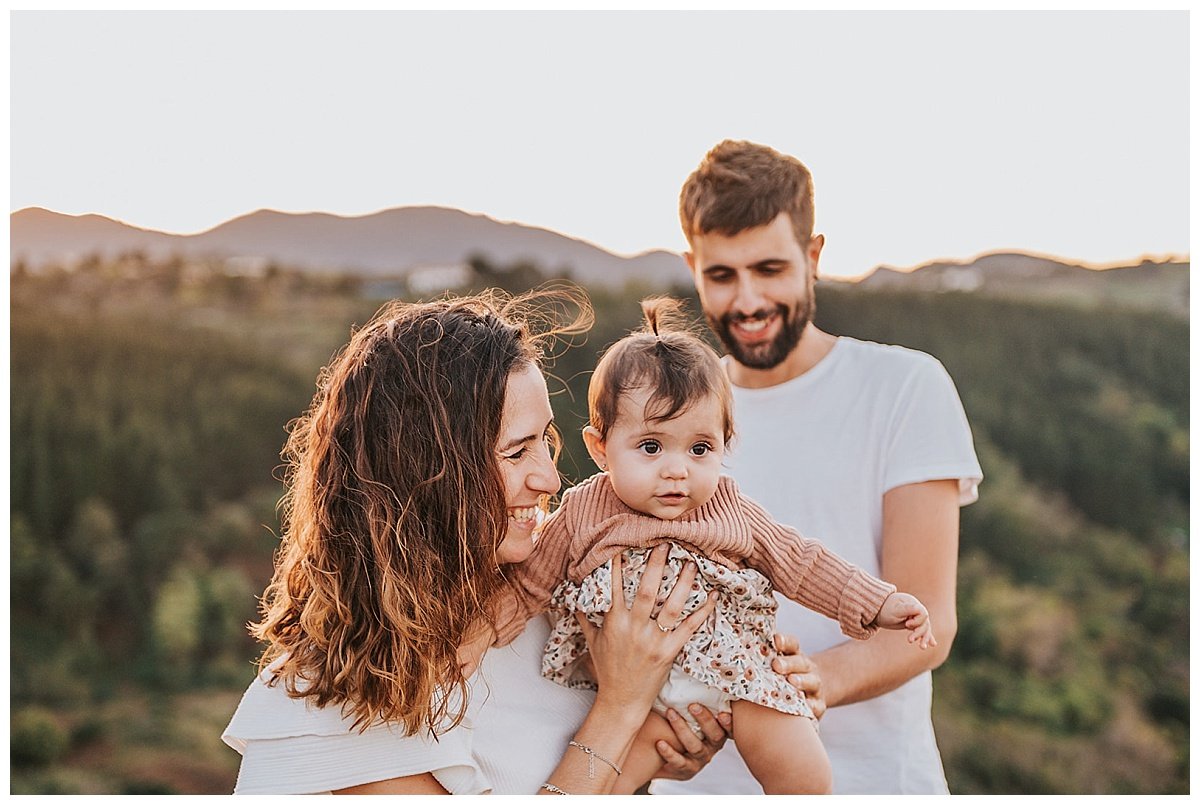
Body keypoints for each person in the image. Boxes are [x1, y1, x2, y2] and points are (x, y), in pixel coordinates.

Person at [220, 289, 730, 795]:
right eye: (516, 453)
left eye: (545, 442)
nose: (550, 481)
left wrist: (704, 713)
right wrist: (620, 712)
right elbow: (602, 736)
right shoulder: (334, 711)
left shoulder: (549, 603)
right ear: (427, 475)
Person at [465, 297, 939, 795]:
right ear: (600, 447)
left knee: (806, 775)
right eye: (651, 447)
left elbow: (801, 562)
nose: (677, 469)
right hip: (630, 693)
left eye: (700, 449)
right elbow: (528, 585)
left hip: (734, 673)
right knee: (608, 784)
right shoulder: (582, 511)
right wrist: (473, 640)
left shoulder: (730, 509)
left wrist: (880, 602)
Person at [653, 140, 983, 795]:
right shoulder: (669, 413)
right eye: (721, 275)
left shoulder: (905, 387)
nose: (747, 300)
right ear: (692, 267)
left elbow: (930, 621)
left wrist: (806, 683)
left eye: (769, 268)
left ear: (813, 256)